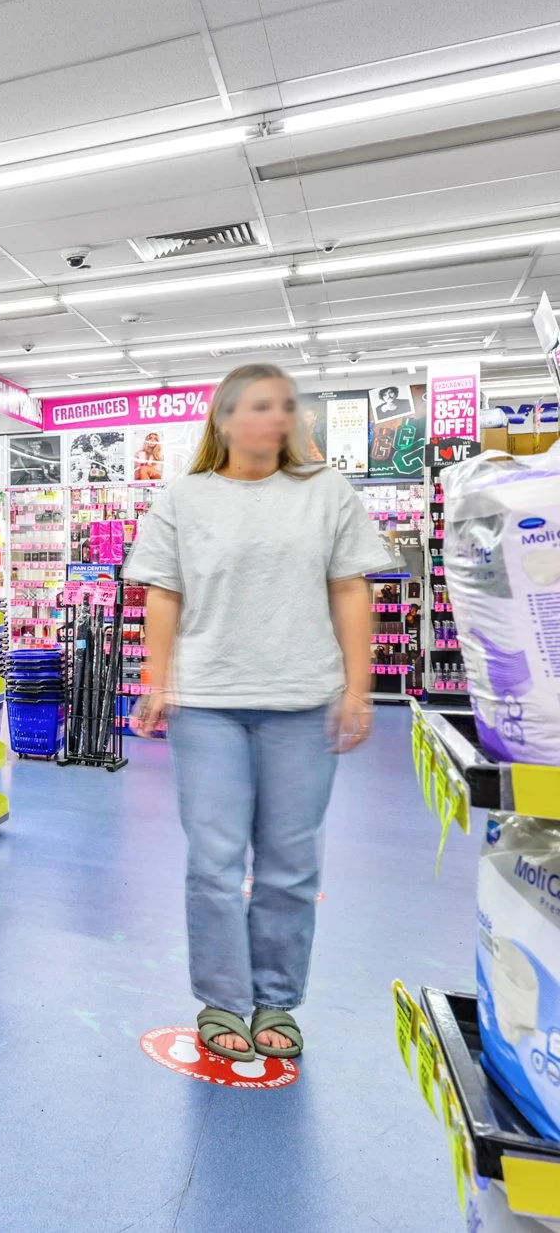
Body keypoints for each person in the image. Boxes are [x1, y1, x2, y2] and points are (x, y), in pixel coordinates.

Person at [128, 362, 389, 1062]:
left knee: (290, 862)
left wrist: (358, 687)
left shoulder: (326, 492)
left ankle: (276, 996)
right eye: (260, 405)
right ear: (223, 418)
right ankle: (222, 998)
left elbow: (350, 589)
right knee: (214, 861)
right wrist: (159, 679)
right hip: (208, 702)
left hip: (303, 699)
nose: (277, 417)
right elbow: (163, 592)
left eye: (285, 406)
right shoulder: (183, 497)